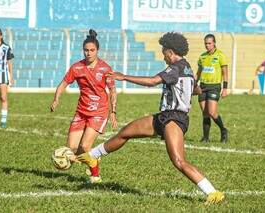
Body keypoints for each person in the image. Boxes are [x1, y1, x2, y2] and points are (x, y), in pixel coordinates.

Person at [73, 32, 225, 204]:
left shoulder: (175, 68)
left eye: (164, 52)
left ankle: (213, 192)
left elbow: (153, 81)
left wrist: (124, 77)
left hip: (174, 118)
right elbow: (196, 89)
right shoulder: (187, 67)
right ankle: (93, 155)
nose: (163, 56)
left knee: (179, 161)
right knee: (126, 132)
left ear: (170, 51)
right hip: (164, 116)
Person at [50, 29, 118, 183]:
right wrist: (56, 99)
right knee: (72, 150)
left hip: (99, 112)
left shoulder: (105, 68)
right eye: (86, 50)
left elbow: (113, 90)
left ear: (97, 51)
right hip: (81, 112)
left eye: (92, 50)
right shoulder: (77, 68)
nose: (89, 53)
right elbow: (63, 84)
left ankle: (96, 177)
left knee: (85, 146)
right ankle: (94, 159)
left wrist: (113, 111)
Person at [196, 34, 228, 143]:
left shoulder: (220, 55)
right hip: (202, 86)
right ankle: (205, 138)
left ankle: (223, 130)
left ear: (214, 43)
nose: (207, 45)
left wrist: (225, 88)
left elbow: (225, 73)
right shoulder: (202, 57)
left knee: (212, 112)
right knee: (205, 113)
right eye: (205, 43)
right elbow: (198, 73)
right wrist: (194, 85)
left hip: (214, 86)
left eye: (209, 43)